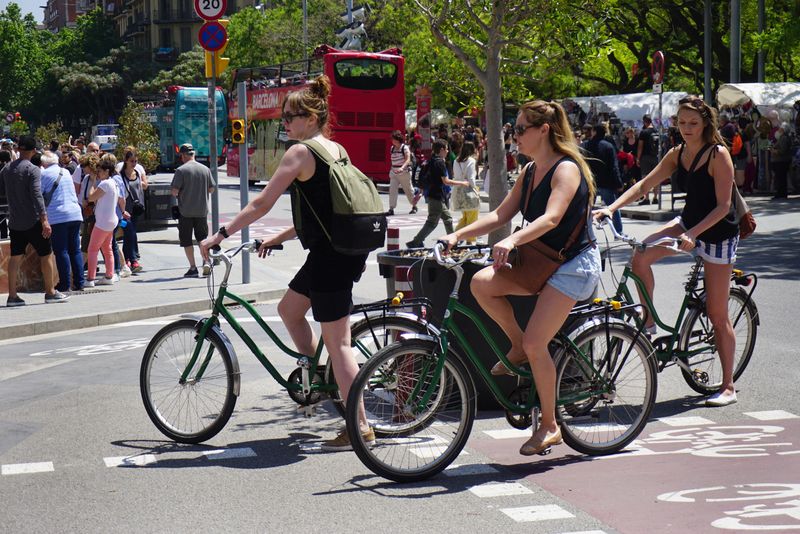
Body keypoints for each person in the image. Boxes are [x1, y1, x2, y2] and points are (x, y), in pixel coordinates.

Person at [199, 75, 373, 451]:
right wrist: (281, 236)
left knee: (339, 343)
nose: (285, 123)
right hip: (335, 252)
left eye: (291, 117)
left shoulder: (300, 153)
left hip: (331, 260)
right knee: (289, 310)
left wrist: (220, 234)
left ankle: (359, 426)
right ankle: (320, 376)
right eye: (284, 117)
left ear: (311, 119)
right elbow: (328, 211)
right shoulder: (335, 149)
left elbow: (262, 203)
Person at [441, 100, 599, 456]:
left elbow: (552, 218)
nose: (515, 136)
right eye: (513, 129)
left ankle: (550, 426)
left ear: (544, 130)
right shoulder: (529, 171)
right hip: (542, 260)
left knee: (536, 343)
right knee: (481, 284)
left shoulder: (566, 169)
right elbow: (499, 215)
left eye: (521, 129)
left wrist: (512, 240)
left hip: (573, 266)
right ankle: (517, 346)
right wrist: (456, 235)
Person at [595, 96, 740, 407]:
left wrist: (693, 235)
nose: (687, 128)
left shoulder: (718, 154)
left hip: (717, 233)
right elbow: (644, 185)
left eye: (693, 123)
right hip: (687, 224)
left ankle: (728, 386)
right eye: (682, 122)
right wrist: (611, 208)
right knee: (640, 255)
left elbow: (724, 206)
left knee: (717, 314)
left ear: (705, 124)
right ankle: (648, 324)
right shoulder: (678, 153)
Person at [0, 136, 69, 305]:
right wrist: (44, 219)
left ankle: (12, 296)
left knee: (15, 257)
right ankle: (50, 292)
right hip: (33, 220)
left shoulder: (6, 170)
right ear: (33, 151)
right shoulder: (32, 169)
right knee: (46, 254)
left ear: (19, 149)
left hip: (14, 221)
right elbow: (37, 195)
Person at [405, 138, 468, 248]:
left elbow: (426, 178)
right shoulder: (440, 163)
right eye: (447, 149)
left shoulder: (430, 160)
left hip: (432, 195)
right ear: (442, 150)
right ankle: (416, 241)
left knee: (447, 219)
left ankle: (451, 241)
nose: (448, 152)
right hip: (436, 196)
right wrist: (462, 183)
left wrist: (420, 193)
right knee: (433, 222)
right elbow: (446, 181)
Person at [40, 151, 84, 292]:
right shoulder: (65, 172)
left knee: (61, 251)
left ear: (44, 163)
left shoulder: (44, 175)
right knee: (75, 250)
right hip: (75, 214)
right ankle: (79, 282)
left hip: (58, 216)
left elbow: (38, 195)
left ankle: (65, 284)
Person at [171, 143, 215, 277]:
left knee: (186, 240)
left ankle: (193, 267)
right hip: (202, 211)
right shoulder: (205, 169)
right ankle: (206, 262)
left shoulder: (181, 170)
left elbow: (174, 191)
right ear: (193, 154)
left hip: (185, 212)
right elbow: (211, 189)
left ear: (183, 155)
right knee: (203, 239)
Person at [85, 154, 125, 287]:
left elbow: (91, 197)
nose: (98, 174)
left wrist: (92, 182)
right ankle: (109, 275)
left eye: (100, 171)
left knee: (92, 249)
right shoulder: (113, 182)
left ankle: (90, 279)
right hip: (111, 220)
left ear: (107, 171)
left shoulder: (105, 183)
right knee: (107, 249)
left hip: (103, 222)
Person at [584, 123, 624, 233]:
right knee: (613, 207)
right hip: (606, 182)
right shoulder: (608, 146)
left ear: (594, 132)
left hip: (590, 181)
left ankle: (585, 232)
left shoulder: (585, 145)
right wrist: (619, 183)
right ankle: (618, 231)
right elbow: (614, 167)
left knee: (587, 208)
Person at [118, 147, 147, 272]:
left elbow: (144, 187)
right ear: (126, 161)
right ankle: (133, 260)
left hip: (136, 208)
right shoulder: (120, 175)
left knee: (130, 232)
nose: (134, 163)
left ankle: (128, 259)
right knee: (130, 232)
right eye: (131, 161)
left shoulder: (137, 173)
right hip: (124, 209)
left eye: (135, 161)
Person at [451, 141, 481, 244]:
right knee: (472, 218)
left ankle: (454, 238)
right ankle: (470, 240)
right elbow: (471, 179)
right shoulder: (471, 161)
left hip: (458, 191)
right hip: (468, 191)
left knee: (465, 217)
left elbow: (455, 175)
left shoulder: (456, 161)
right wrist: (475, 189)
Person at [386, 130, 416, 215]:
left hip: (404, 173)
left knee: (408, 190)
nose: (392, 140)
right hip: (394, 172)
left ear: (397, 139)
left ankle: (414, 206)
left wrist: (402, 168)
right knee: (392, 190)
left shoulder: (404, 148)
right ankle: (391, 208)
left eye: (393, 139)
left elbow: (408, 159)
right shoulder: (392, 148)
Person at [637, 114, 659, 205]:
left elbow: (640, 146)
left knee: (645, 178)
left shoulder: (644, 132)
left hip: (645, 157)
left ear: (644, 121)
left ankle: (647, 198)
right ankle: (655, 198)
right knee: (656, 177)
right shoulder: (656, 131)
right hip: (655, 157)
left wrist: (638, 158)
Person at [770, 123, 792, 199]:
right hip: (780, 161)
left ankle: (781, 193)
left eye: (780, 129)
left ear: (783, 130)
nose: (778, 130)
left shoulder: (784, 138)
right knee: (780, 178)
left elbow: (782, 150)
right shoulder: (782, 137)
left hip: (781, 161)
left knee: (781, 178)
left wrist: (774, 151)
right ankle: (781, 193)